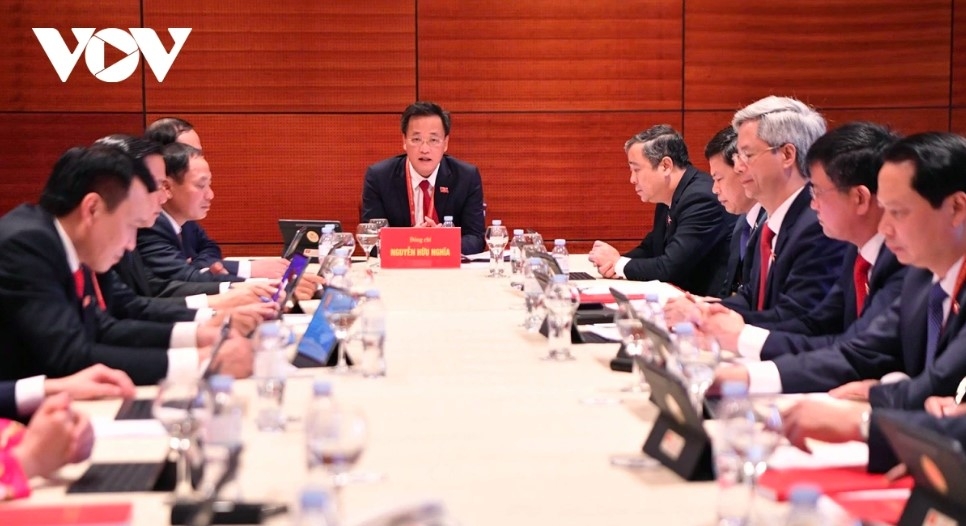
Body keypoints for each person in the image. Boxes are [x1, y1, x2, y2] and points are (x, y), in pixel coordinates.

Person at [716, 132, 966, 427]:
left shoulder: (908, 268)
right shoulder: (921, 277)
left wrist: (871, 409)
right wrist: (745, 376)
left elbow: (936, 383)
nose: (885, 227)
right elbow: (860, 351)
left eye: (897, 212)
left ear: (957, 208)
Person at [0, 145, 252, 385]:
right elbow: (70, 355)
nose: (132, 245)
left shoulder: (71, 241)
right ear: (92, 209)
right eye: (131, 225)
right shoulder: (27, 244)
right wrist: (199, 362)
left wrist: (198, 335)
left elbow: (102, 328)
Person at [703, 122, 907, 361]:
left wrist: (740, 339)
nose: (813, 203)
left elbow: (859, 350)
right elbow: (816, 323)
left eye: (817, 191)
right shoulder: (857, 251)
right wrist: (723, 324)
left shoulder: (905, 263)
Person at [665, 96, 846, 325]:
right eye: (738, 156)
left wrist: (706, 318)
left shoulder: (819, 224)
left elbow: (797, 319)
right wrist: (703, 309)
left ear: (787, 155)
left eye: (748, 155)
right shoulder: (767, 225)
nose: (739, 167)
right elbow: (751, 298)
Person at [588, 125, 734, 296]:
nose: (632, 179)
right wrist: (612, 263)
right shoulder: (669, 196)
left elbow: (670, 268)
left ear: (665, 166)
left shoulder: (701, 198)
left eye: (636, 170)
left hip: (706, 303)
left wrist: (618, 264)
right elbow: (651, 248)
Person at [144, 118, 289, 280]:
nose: (210, 195)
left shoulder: (180, 214)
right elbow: (177, 280)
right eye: (184, 150)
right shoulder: (150, 222)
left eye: (198, 152)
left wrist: (196, 267)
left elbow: (209, 248)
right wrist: (248, 274)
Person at [361, 101, 486, 255]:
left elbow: (476, 239)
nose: (424, 149)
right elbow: (371, 241)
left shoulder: (466, 177)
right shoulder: (379, 177)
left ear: (445, 143)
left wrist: (442, 241)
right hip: (400, 266)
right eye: (416, 139)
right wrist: (411, 240)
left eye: (433, 140)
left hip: (447, 267)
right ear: (404, 141)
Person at [705, 126, 764, 297]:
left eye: (718, 178)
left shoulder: (774, 226)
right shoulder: (742, 224)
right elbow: (730, 291)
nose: (714, 189)